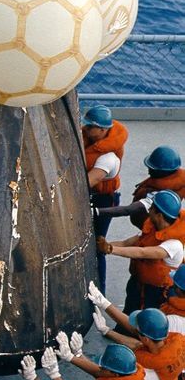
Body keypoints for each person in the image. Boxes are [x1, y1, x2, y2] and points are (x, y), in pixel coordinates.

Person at [87, 287, 185, 380]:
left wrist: (73, 357)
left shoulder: (148, 375)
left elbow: (108, 374)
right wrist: (105, 309)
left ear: (145, 338)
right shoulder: (174, 346)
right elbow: (139, 341)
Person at [97, 189, 185, 312]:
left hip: (155, 294)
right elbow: (125, 243)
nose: (148, 211)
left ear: (159, 215)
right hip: (138, 284)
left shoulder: (174, 245)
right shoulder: (153, 229)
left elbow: (142, 252)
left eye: (152, 208)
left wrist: (109, 249)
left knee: (143, 323)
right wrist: (99, 247)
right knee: (129, 312)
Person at [82, 104, 128, 293]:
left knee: (97, 244)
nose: (86, 129)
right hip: (93, 195)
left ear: (102, 130)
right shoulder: (90, 137)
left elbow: (86, 182)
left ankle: (100, 289)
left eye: (91, 127)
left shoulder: (108, 159)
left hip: (104, 199)